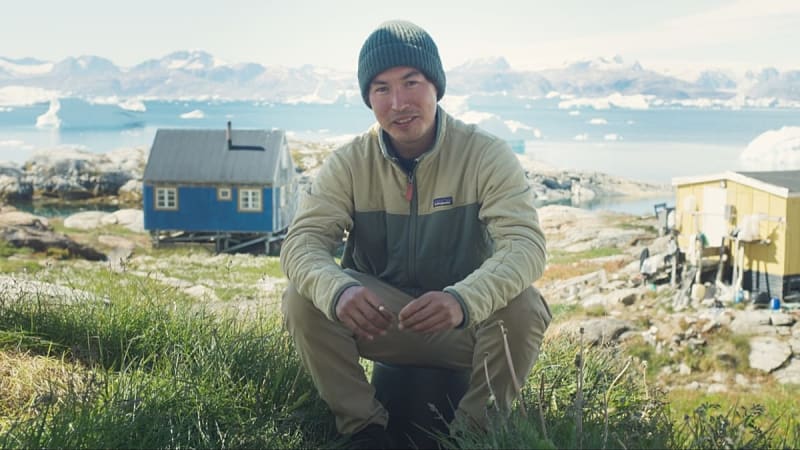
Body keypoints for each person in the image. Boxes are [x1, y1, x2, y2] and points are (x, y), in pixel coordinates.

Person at [280, 19, 551, 448]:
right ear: (368, 97)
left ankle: (473, 435)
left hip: (462, 323)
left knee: (526, 306)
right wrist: (339, 292)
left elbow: (526, 246)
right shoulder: (350, 162)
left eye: (411, 82)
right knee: (302, 298)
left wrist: (464, 300)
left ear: (436, 87)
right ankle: (364, 429)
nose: (398, 102)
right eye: (381, 89)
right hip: (380, 322)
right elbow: (302, 242)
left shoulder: (485, 154)